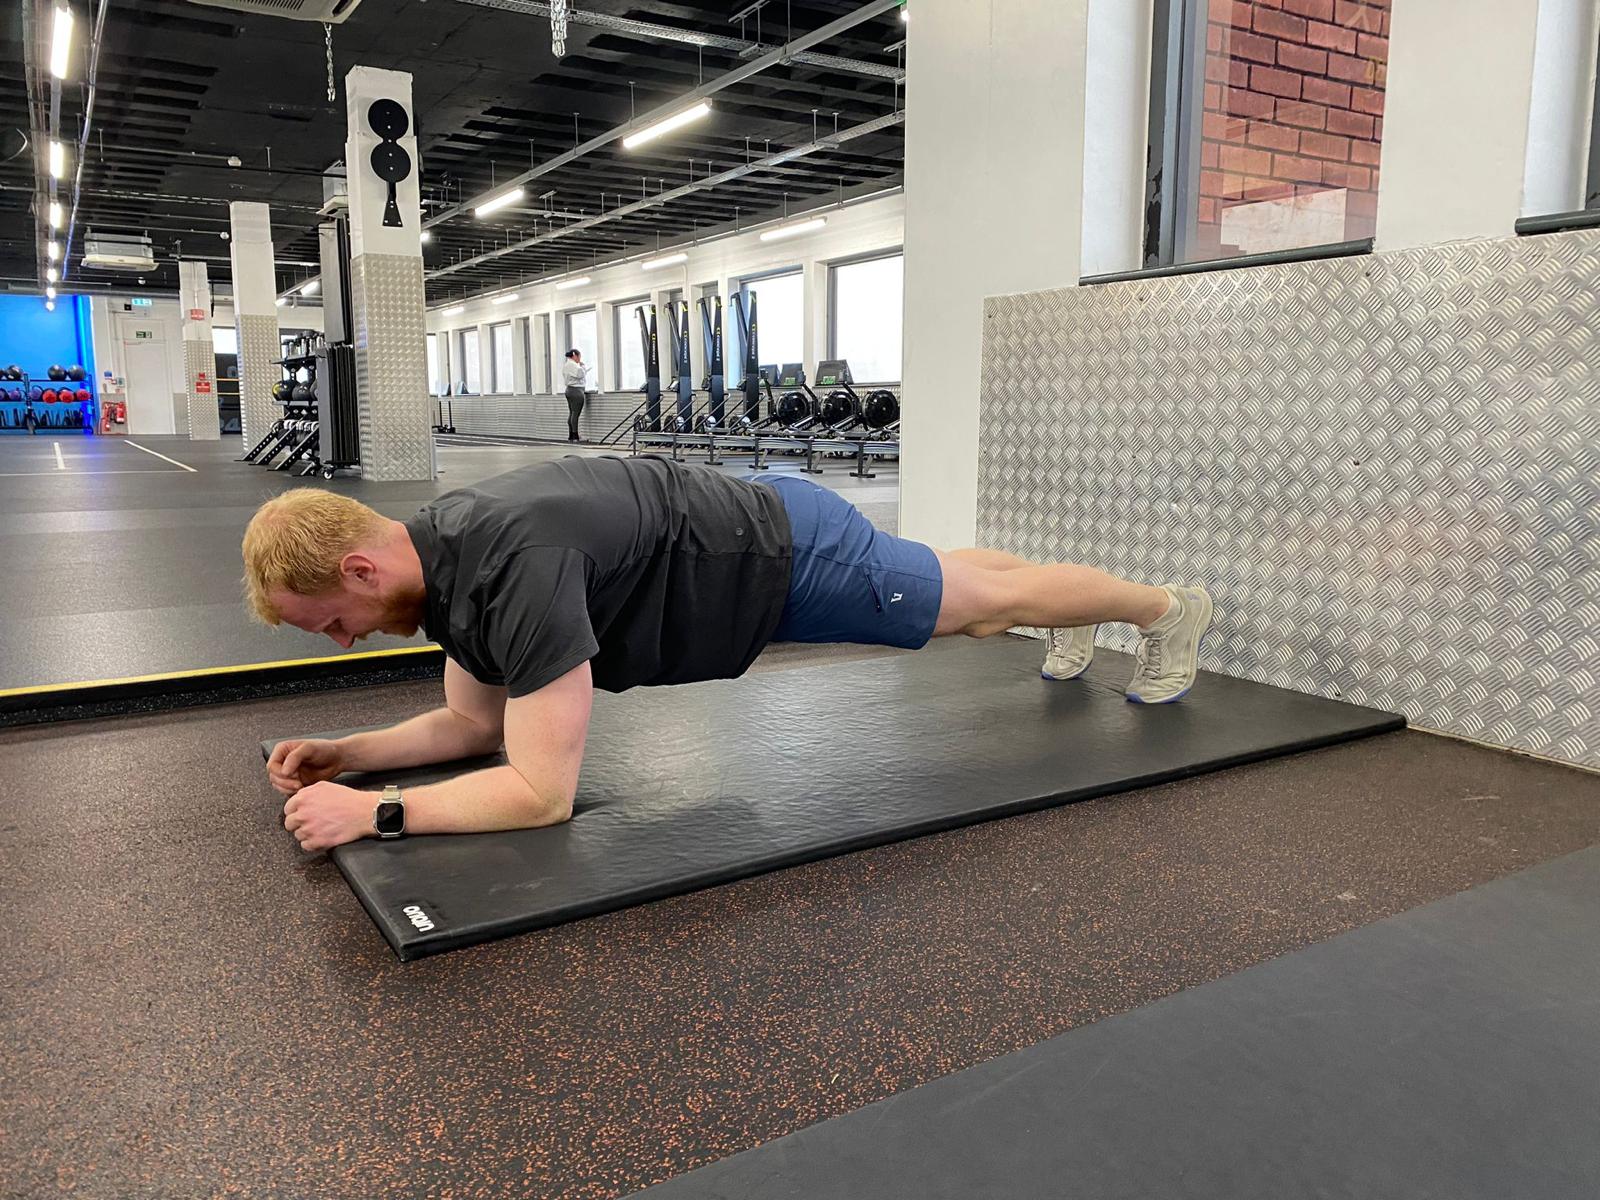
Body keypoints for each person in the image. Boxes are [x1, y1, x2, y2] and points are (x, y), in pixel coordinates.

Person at [243, 457, 1213, 853]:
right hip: (746, 524)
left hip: (781, 556)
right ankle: (1071, 608)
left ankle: (1167, 607)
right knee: (961, 590)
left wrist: (377, 816)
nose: (340, 640)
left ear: (363, 568)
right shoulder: (443, 561)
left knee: (974, 607)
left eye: (327, 620)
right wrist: (350, 753)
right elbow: (469, 723)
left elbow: (538, 793)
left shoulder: (514, 573)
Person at [561, 349, 588, 442]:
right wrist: (583, 366)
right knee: (575, 414)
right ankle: (575, 435)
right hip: (576, 391)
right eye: (579, 357)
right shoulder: (573, 365)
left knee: (572, 413)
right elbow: (580, 374)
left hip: (569, 390)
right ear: (574, 355)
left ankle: (571, 435)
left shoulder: (566, 365)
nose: (579, 359)